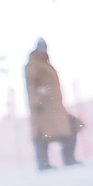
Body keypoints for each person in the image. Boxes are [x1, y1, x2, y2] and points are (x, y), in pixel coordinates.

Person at [24, 39, 81, 170]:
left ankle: (69, 158)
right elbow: (31, 86)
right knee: (42, 134)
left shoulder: (46, 64)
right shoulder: (33, 65)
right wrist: (37, 101)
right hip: (43, 108)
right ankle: (44, 164)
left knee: (72, 126)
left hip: (56, 107)